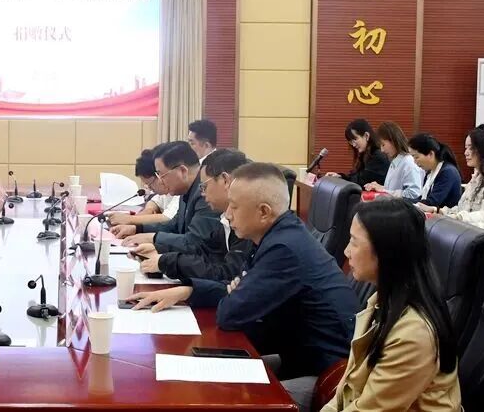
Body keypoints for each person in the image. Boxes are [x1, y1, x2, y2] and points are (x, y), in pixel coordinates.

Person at [129, 163, 358, 409]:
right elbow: (237, 287)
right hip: (296, 356)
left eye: (234, 206)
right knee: (195, 378)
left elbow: (230, 314)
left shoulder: (284, 249)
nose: (227, 215)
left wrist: (237, 291)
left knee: (213, 398)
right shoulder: (273, 235)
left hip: (326, 378)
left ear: (263, 212)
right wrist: (190, 290)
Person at [322, 198, 461, 412]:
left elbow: (369, 410)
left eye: (354, 242)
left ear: (386, 251)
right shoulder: (384, 299)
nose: (346, 251)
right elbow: (349, 385)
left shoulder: (414, 334)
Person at [132, 148, 253, 281]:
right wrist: (160, 251)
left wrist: (169, 262)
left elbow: (227, 273)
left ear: (225, 181)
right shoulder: (224, 215)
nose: (202, 192)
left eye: (204, 186)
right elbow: (206, 250)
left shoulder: (248, 222)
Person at [117, 142, 226, 262]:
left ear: (182, 171)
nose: (160, 181)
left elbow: (195, 242)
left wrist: (153, 238)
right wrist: (138, 229)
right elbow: (175, 225)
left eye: (161, 175)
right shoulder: (186, 189)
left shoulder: (206, 193)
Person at [437, 124, 484, 217]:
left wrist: (457, 217)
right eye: (466, 148)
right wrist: (439, 211)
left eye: (471, 148)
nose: (466, 153)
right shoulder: (476, 176)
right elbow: (462, 208)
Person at [108, 149, 175, 230]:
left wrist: (129, 219)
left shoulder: (179, 190)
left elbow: (168, 218)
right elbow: (156, 201)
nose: (149, 188)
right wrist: (149, 210)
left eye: (150, 184)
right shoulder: (165, 191)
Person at [364, 121, 424, 200]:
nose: (382, 150)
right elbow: (393, 189)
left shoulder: (408, 162)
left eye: (383, 144)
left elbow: (414, 194)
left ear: (393, 140)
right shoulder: (395, 161)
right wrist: (380, 187)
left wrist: (384, 190)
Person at [326, 119, 388, 187]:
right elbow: (357, 176)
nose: (353, 145)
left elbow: (362, 180)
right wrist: (339, 176)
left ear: (366, 136)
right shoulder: (366, 154)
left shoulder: (377, 156)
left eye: (355, 139)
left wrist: (341, 178)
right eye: (351, 142)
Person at [408, 134, 462, 211]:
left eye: (416, 157)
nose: (414, 162)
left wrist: (403, 203)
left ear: (431, 154)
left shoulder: (447, 172)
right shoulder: (430, 172)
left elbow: (431, 202)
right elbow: (422, 199)